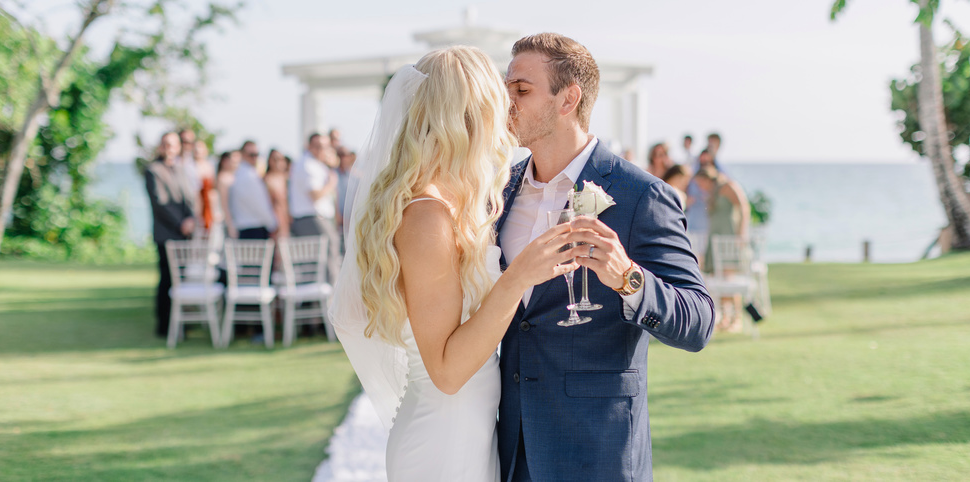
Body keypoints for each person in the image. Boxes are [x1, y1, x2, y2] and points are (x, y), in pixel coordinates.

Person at [329, 47, 579, 482]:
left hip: (470, 431)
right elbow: (445, 371)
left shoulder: (451, 204)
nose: (507, 117)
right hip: (442, 442)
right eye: (497, 104)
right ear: (467, 116)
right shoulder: (426, 215)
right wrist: (518, 275)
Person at [498, 33, 714, 481]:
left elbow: (698, 322)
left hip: (597, 449)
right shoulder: (500, 191)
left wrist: (627, 278)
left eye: (521, 90)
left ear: (568, 99)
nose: (507, 102)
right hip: (510, 448)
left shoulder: (642, 196)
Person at [144, 131, 196, 337]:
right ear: (160, 146)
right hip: (166, 234)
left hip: (185, 234)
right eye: (165, 144)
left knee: (181, 279)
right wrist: (180, 223)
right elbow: (160, 203)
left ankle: (181, 321)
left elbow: (188, 199)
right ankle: (165, 324)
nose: (169, 148)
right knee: (167, 279)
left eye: (173, 144)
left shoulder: (181, 169)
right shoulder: (153, 170)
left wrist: (191, 219)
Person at [693, 166, 750, 331]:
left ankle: (736, 318)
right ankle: (725, 317)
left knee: (729, 278)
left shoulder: (728, 185)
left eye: (700, 183)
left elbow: (744, 207)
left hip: (729, 238)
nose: (700, 187)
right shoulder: (711, 193)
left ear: (707, 178)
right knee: (720, 277)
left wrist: (741, 233)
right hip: (715, 238)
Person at [289, 133, 341, 281]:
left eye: (324, 146)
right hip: (310, 218)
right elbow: (315, 195)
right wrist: (331, 183)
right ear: (309, 146)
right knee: (329, 250)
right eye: (317, 146)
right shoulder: (307, 165)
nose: (321, 150)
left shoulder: (315, 164)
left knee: (321, 258)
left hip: (314, 218)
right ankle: (331, 292)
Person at [229, 140, 277, 240]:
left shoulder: (241, 174)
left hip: (246, 228)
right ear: (242, 154)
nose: (255, 158)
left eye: (257, 154)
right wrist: (273, 224)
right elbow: (259, 204)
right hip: (255, 229)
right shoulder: (249, 176)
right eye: (251, 155)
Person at [264, 149, 292, 239]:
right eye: (275, 159)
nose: (278, 162)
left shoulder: (288, 178)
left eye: (281, 159)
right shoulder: (267, 180)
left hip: (289, 220)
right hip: (276, 221)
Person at [216, 151, 240, 238]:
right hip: (229, 221)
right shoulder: (223, 178)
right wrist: (230, 225)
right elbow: (224, 204)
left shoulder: (234, 176)